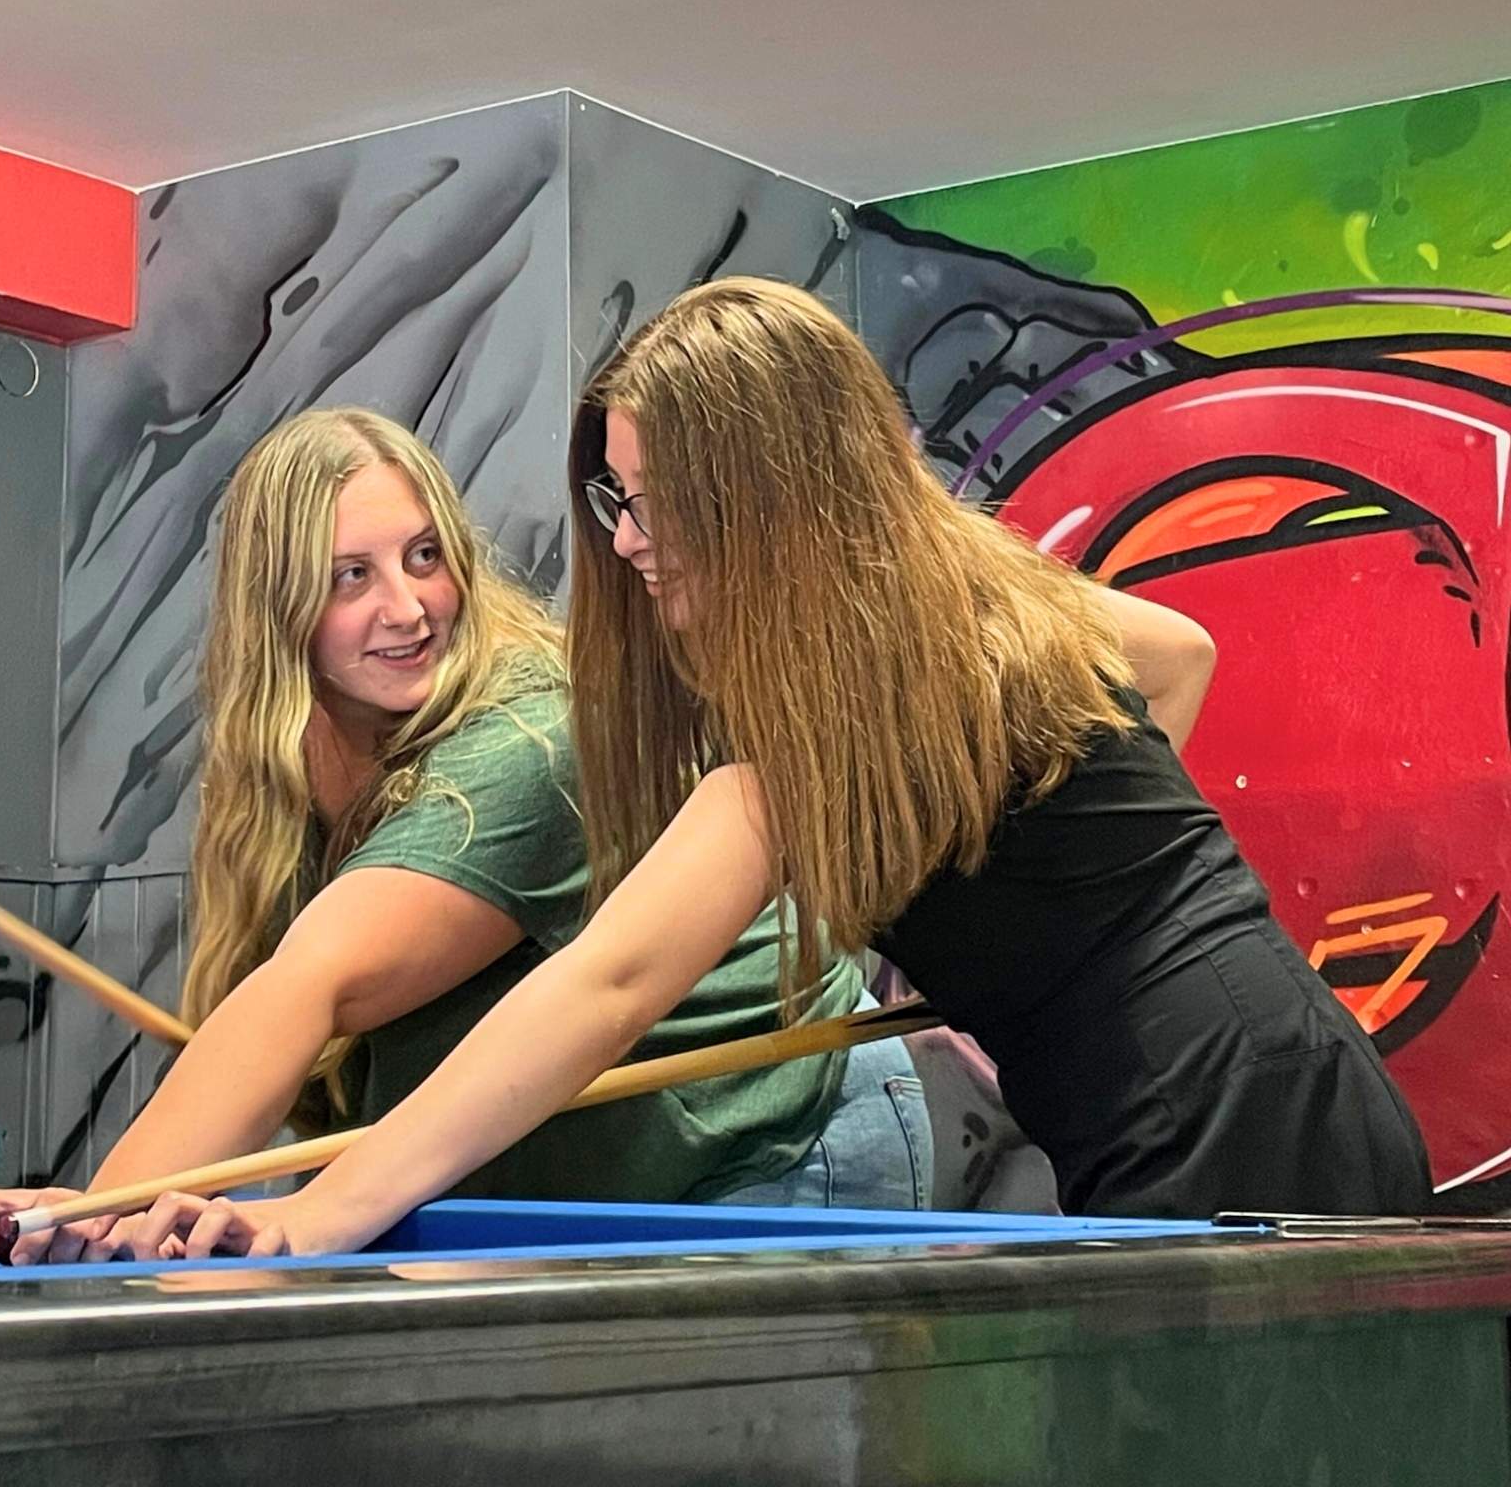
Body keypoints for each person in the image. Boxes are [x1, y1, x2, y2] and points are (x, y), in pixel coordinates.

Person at [114, 281, 1431, 1260]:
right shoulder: (966, 608)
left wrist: (321, 1214)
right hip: (1251, 1077)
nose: (626, 540)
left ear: (760, 492)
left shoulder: (825, 734)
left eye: (651, 499)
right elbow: (1177, 653)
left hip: (1221, 1121)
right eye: (614, 499)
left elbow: (603, 987)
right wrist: (1055, 922)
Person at [0, 405, 931, 1267]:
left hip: (775, 1140)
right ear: (279, 607)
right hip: (612, 1169)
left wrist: (95, 1214)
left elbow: (317, 983)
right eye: (350, 577)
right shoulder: (293, 786)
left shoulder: (534, 740)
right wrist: (104, 1210)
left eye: (425, 557)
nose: (408, 608)